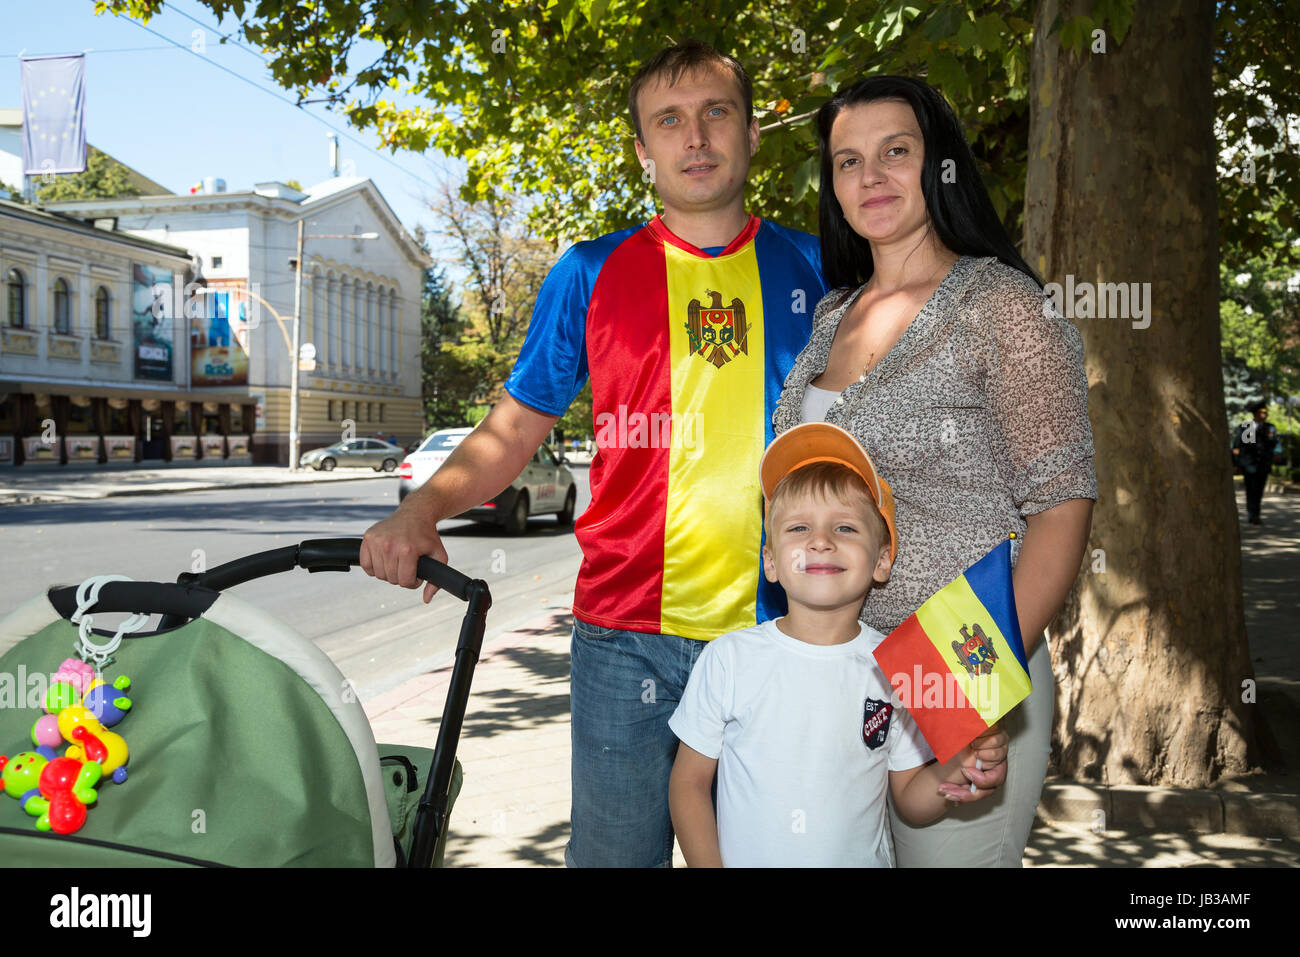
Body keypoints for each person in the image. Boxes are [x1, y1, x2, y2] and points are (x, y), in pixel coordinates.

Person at [359, 41, 829, 867]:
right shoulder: (589, 270)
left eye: (717, 113)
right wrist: (418, 508)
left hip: (784, 630)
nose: (696, 137)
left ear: (753, 133)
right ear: (643, 151)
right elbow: (511, 432)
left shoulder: (821, 268)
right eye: (670, 121)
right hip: (625, 638)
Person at [770, 76, 1097, 867]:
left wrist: (963, 696)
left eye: (896, 151)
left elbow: (1062, 509)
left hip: (955, 660)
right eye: (849, 161)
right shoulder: (829, 316)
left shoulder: (1001, 305)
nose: (870, 175)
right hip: (840, 674)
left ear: (941, 166)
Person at [669, 422, 1008, 866]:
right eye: (798, 528)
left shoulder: (902, 666)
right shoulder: (728, 660)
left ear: (882, 560)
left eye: (845, 528)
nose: (821, 541)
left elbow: (909, 799)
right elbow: (688, 784)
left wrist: (957, 766)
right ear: (770, 561)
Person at [1232, 403, 1282, 524]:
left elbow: (1276, 444)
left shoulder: (1270, 428)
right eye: (1261, 413)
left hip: (1263, 464)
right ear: (1255, 414)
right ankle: (1252, 514)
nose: (1264, 415)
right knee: (1251, 489)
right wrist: (1236, 463)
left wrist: (1277, 453)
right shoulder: (1247, 427)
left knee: (1259, 490)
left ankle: (1256, 513)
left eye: (1265, 413)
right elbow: (1239, 446)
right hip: (1249, 464)